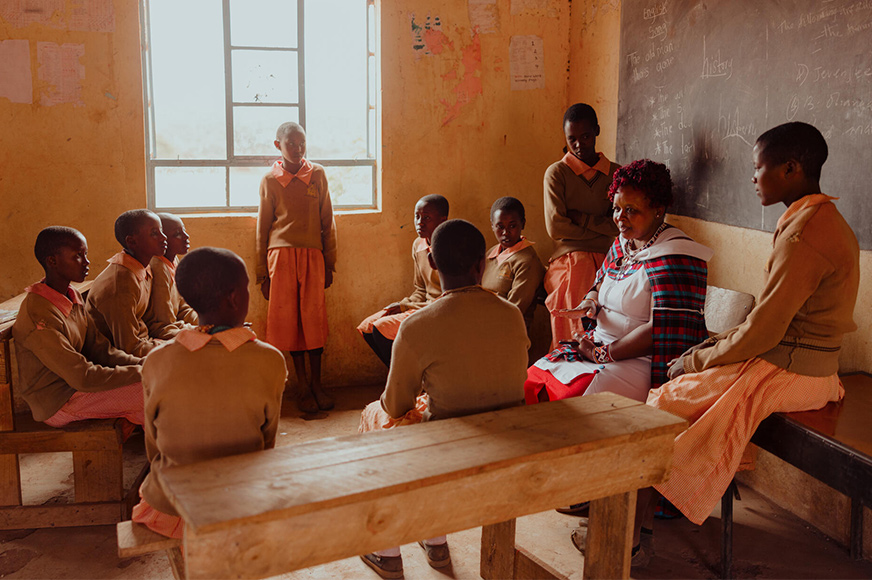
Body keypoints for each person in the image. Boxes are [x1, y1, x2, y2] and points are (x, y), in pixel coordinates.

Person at [644, 122, 859, 553]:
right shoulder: (813, 218)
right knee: (675, 393)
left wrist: (696, 361)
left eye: (758, 168)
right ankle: (655, 509)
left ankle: (638, 527)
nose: (752, 177)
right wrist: (706, 349)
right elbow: (766, 317)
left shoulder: (804, 233)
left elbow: (764, 330)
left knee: (665, 401)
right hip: (792, 359)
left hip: (798, 371)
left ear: (792, 169)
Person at [358, 220, 529, 579]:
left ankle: (387, 550)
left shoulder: (419, 325)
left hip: (450, 452)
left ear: (432, 263)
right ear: (483, 265)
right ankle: (434, 541)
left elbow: (395, 405)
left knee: (376, 416)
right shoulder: (512, 315)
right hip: (509, 444)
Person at [526, 159, 711, 405]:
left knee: (568, 403)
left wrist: (601, 353)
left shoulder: (677, 257)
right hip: (598, 348)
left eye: (631, 210)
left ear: (658, 209)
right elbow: (599, 284)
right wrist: (590, 302)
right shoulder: (623, 244)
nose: (619, 218)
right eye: (615, 208)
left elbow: (660, 329)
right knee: (532, 379)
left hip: (642, 363)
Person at [132, 247, 287, 539]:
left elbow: (153, 445)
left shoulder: (157, 360)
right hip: (241, 501)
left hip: (173, 505)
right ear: (235, 297)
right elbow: (267, 440)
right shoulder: (270, 359)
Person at [12, 227, 143, 428]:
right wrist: (144, 372)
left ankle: (169, 453)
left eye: (85, 254)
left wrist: (144, 363)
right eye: (78, 256)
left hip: (80, 389)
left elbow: (103, 351)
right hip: (59, 402)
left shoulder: (71, 296)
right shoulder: (39, 314)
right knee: (156, 390)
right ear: (52, 261)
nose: (87, 262)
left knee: (160, 388)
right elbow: (82, 378)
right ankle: (173, 454)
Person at [256, 122, 337, 413]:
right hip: (280, 257)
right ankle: (301, 386)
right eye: (291, 143)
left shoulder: (317, 174)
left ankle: (317, 383)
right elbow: (263, 227)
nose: (298, 148)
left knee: (313, 320)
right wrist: (262, 273)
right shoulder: (270, 180)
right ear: (278, 145)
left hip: (313, 257)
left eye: (302, 142)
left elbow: (327, 220)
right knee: (290, 322)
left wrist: (330, 262)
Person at [543, 103, 620, 348]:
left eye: (585, 136)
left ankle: (601, 359)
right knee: (580, 271)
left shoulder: (616, 174)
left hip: (610, 255)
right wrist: (601, 228)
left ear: (597, 131)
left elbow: (621, 226)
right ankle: (569, 354)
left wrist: (583, 219)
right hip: (568, 259)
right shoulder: (556, 174)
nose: (578, 145)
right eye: (571, 139)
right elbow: (556, 228)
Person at [357, 195, 448, 367]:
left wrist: (407, 307)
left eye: (427, 218)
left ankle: (409, 380)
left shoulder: (449, 248)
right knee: (367, 326)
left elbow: (449, 297)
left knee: (381, 329)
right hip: (423, 305)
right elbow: (421, 289)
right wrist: (402, 304)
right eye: (417, 216)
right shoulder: (418, 245)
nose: (420, 222)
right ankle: (403, 377)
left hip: (441, 310)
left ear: (443, 220)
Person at [86, 209, 177, 357]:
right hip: (114, 358)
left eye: (161, 231)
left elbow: (149, 323)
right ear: (132, 241)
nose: (164, 238)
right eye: (154, 233)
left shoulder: (143, 267)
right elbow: (130, 348)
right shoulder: (120, 285)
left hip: (145, 343)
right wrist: (174, 346)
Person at [481, 196, 546, 335]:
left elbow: (514, 310)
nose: (506, 232)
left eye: (512, 226)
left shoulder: (527, 261)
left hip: (508, 331)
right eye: (500, 226)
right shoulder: (491, 253)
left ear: (522, 224)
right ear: (492, 225)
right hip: (482, 323)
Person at [145, 213, 198, 334]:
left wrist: (214, 323)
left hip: (175, 328)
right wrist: (203, 330)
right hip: (163, 335)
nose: (186, 236)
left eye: (184, 231)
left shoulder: (173, 260)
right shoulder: (158, 268)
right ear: (162, 238)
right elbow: (163, 325)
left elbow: (182, 308)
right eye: (177, 234)